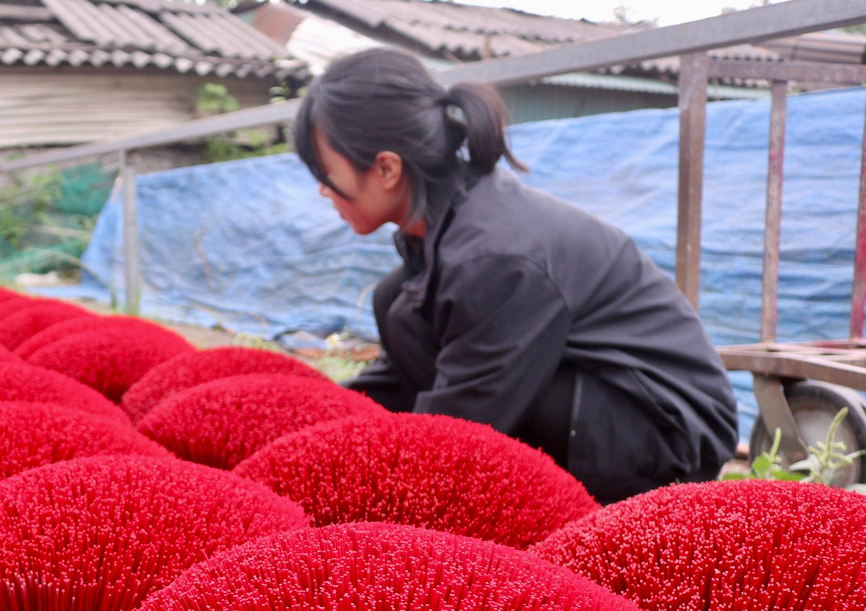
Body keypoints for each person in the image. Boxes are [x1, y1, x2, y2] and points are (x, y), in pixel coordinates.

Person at [293, 47, 738, 504]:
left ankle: (557, 512)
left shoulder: (492, 257)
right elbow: (404, 379)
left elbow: (464, 415)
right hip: (596, 398)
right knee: (396, 303)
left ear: (387, 168)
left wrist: (380, 480)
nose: (325, 191)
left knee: (450, 443)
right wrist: (316, 424)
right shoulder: (445, 228)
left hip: (662, 430)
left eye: (326, 173)